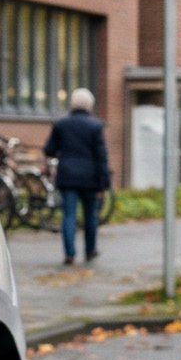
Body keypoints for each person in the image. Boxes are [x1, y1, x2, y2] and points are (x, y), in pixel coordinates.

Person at [43, 88, 110, 265]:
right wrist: (104, 183)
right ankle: (90, 250)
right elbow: (102, 156)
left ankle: (70, 253)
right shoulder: (96, 126)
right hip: (90, 178)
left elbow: (49, 149)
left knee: (69, 215)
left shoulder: (61, 124)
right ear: (90, 105)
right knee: (90, 215)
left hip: (67, 176)